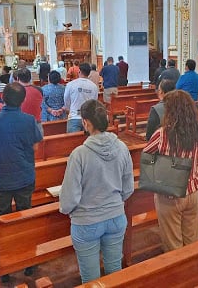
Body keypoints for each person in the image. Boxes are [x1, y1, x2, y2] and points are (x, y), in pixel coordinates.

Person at [60, 99, 134, 283]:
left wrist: (67, 209)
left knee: (91, 278)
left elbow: (69, 199)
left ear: (86, 122)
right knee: (115, 271)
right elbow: (128, 188)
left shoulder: (79, 154)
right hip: (116, 216)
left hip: (87, 222)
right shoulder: (122, 147)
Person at [0, 82, 43, 282]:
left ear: (2, 98)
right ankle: (30, 262)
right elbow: (36, 148)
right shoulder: (29, 121)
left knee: (1, 220)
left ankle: (4, 267)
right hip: (24, 175)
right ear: (23, 100)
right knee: (25, 216)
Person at [143, 90, 198, 252]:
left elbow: (146, 157)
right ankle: (192, 272)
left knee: (173, 246)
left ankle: (179, 275)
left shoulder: (162, 134)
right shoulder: (196, 133)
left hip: (170, 194)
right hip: (193, 190)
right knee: (192, 242)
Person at [64, 63, 99, 132]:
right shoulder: (94, 86)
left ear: (79, 71)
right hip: (88, 117)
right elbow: (94, 101)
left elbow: (66, 99)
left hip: (74, 116)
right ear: (89, 73)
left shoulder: (71, 84)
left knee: (73, 141)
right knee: (88, 141)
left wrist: (69, 109)